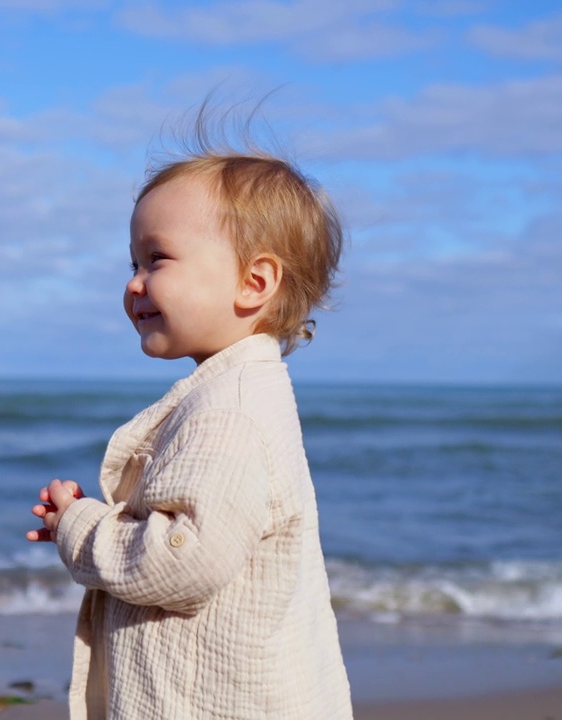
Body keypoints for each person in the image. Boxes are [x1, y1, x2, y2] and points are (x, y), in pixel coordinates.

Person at [27, 125, 354, 719]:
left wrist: (81, 528)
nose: (133, 282)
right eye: (133, 261)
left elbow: (180, 560)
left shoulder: (229, 411)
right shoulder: (238, 395)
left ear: (254, 282)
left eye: (157, 259)